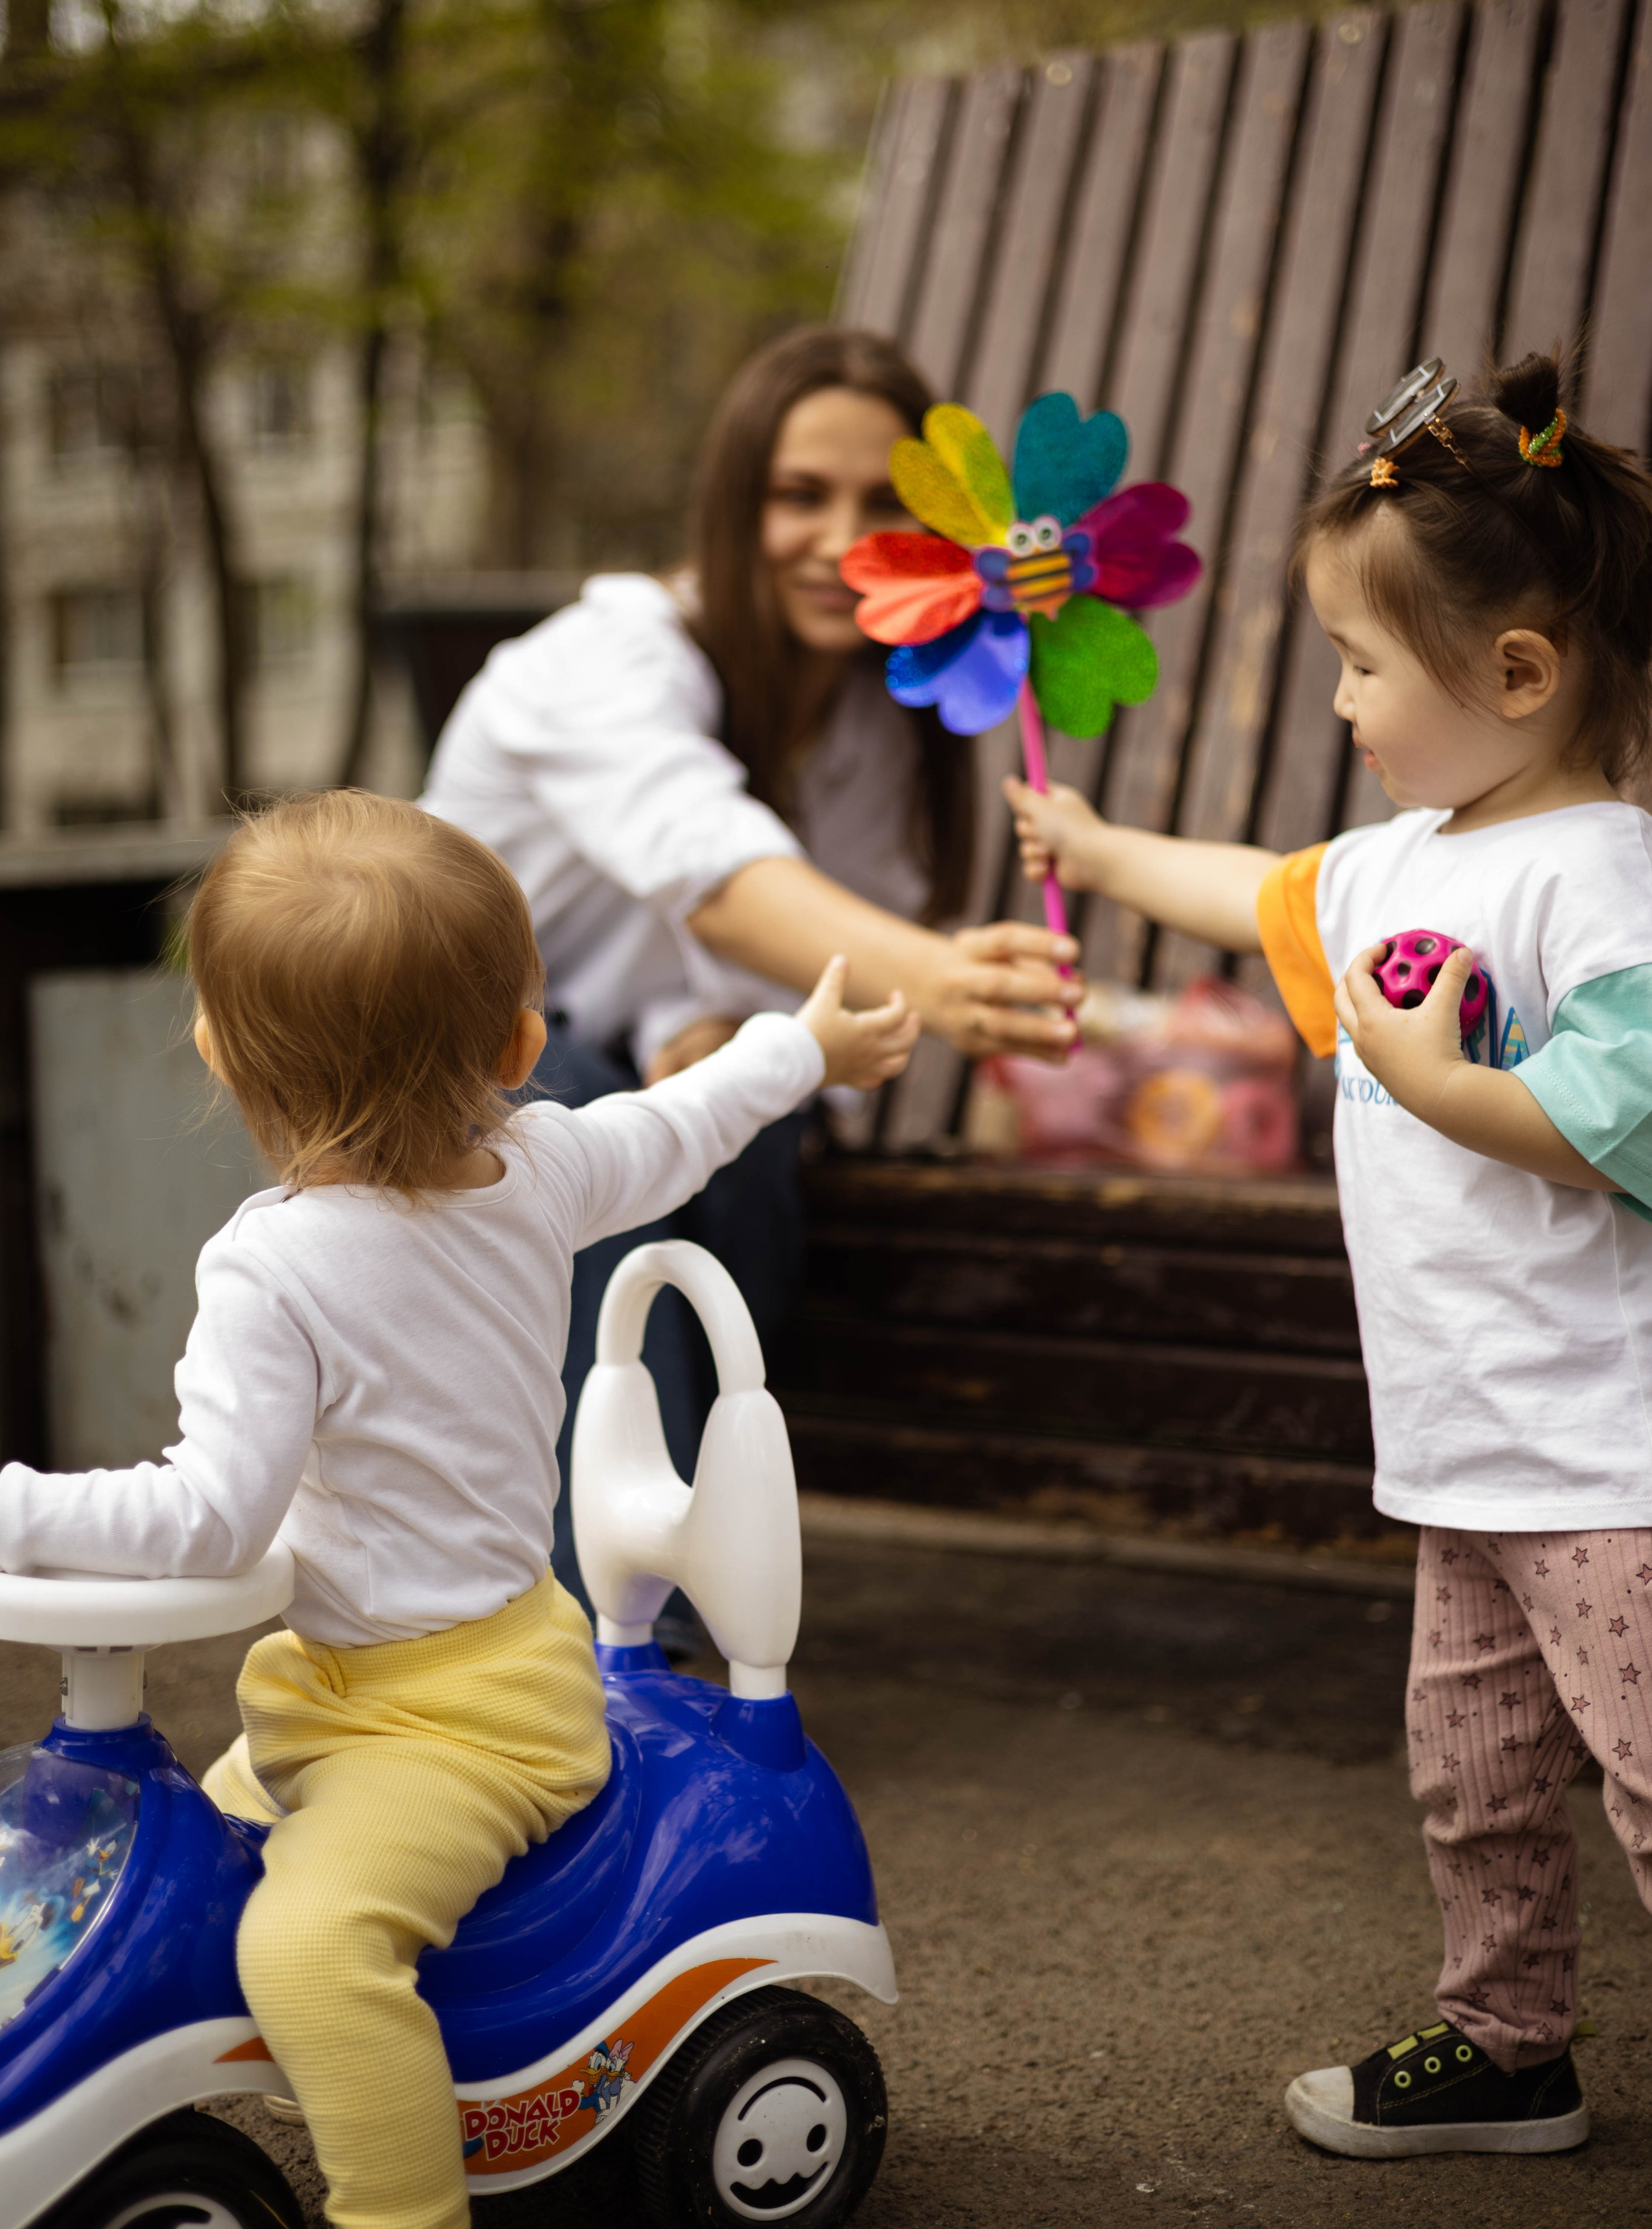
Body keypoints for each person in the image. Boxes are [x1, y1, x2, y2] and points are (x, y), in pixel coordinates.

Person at [0, 790, 916, 2229]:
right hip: (357, 1690)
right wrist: (805, 1045)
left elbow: (205, 1523)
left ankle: (402, 2212)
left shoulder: (273, 1270)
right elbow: (685, 1123)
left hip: (464, 1732)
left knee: (307, 1949)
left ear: (217, 1047)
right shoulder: (542, 1166)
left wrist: (15, 1509)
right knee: (177, 1859)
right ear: (519, 1047)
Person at [1007, 352, 1652, 2161]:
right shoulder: (1397, 865)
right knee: (1476, 1779)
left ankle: (1513, 2034)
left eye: (1363, 664)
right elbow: (1254, 890)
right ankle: (1509, 2044)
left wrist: (1439, 1083)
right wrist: (1093, 850)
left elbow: (1624, 1109)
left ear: (1516, 674)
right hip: (1466, 1450)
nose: (1347, 700)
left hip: (1606, 1460)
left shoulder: (1597, 876)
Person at [421, 325, 1080, 1604]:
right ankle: (615, 1630)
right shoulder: (601, 660)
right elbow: (715, 879)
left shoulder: (881, 713)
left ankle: (717, 1574)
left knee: (745, 1112)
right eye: (799, 495)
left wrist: (713, 1030)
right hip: (463, 1078)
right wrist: (936, 982)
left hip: (638, 1062)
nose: (840, 541)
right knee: (583, 1123)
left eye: (883, 504)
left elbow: (790, 959)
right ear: (733, 505)